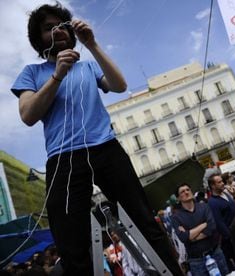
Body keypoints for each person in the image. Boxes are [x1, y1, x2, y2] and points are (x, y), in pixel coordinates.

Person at [10, 4, 182, 275]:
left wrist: (93, 44)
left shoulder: (88, 65)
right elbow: (28, 114)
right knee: (70, 240)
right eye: (48, 28)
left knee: (144, 219)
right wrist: (57, 76)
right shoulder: (33, 73)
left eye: (62, 25)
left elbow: (119, 85)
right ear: (38, 39)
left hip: (106, 148)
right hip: (63, 157)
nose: (58, 31)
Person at [171, 184, 229, 276]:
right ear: (178, 198)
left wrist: (191, 236)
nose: (186, 192)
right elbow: (184, 237)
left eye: (188, 189)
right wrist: (203, 224)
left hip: (215, 253)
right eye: (182, 191)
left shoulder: (204, 207)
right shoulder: (176, 217)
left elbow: (211, 228)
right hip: (197, 261)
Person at [207, 174, 235, 271]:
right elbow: (219, 222)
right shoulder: (212, 202)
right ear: (213, 186)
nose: (222, 183)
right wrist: (230, 236)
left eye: (222, 181)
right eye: (219, 182)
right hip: (232, 237)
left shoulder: (226, 193)